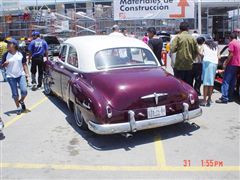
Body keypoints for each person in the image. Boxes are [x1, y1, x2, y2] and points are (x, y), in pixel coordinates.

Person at [1, 39, 29, 115]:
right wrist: (4, 64)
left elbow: (24, 64)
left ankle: (22, 100)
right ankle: (18, 107)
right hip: (10, 76)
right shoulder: (5, 55)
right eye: (7, 43)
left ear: (14, 45)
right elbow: (1, 66)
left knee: (24, 91)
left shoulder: (21, 53)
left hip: (20, 75)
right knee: (15, 94)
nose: (7, 45)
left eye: (9, 43)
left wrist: (27, 73)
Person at [216, 32, 240, 103]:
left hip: (231, 64)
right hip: (238, 65)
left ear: (230, 38)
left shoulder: (231, 43)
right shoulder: (239, 43)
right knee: (233, 81)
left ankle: (224, 98)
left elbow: (231, 54)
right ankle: (230, 96)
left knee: (225, 81)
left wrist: (225, 63)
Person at [200, 39, 219, 106]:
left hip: (207, 63)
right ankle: (209, 99)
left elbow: (201, 53)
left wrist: (203, 56)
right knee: (211, 82)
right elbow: (218, 56)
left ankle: (204, 100)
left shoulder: (204, 45)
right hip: (214, 64)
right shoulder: (216, 46)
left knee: (206, 83)